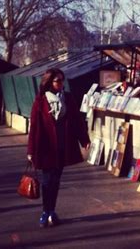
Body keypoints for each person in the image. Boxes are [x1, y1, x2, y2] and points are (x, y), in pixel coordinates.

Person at [27, 67, 90, 228]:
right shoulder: (40, 101)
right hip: (46, 147)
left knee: (56, 181)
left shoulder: (68, 98)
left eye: (63, 80)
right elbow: (34, 127)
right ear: (49, 82)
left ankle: (52, 211)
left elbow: (76, 120)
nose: (61, 83)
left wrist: (84, 139)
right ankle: (45, 212)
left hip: (63, 145)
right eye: (58, 80)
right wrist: (30, 151)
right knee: (47, 181)